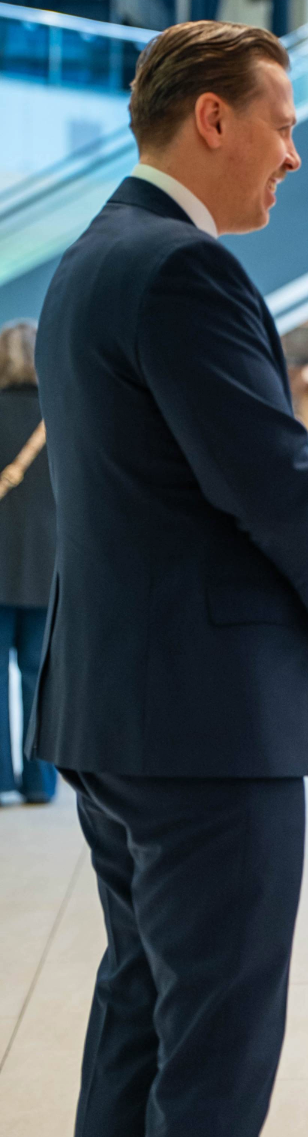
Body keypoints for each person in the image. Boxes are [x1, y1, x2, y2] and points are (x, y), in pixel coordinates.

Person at [34, 19, 308, 1137]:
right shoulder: (184, 269)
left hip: (116, 712)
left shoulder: (87, 261)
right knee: (215, 1062)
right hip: (204, 728)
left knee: (141, 1021)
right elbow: (270, 474)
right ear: (214, 118)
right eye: (282, 125)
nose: (293, 154)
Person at [0, 320, 55, 805]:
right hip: (46, 565)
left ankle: (0, 780)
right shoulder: (60, 416)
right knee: (41, 675)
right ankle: (40, 781)